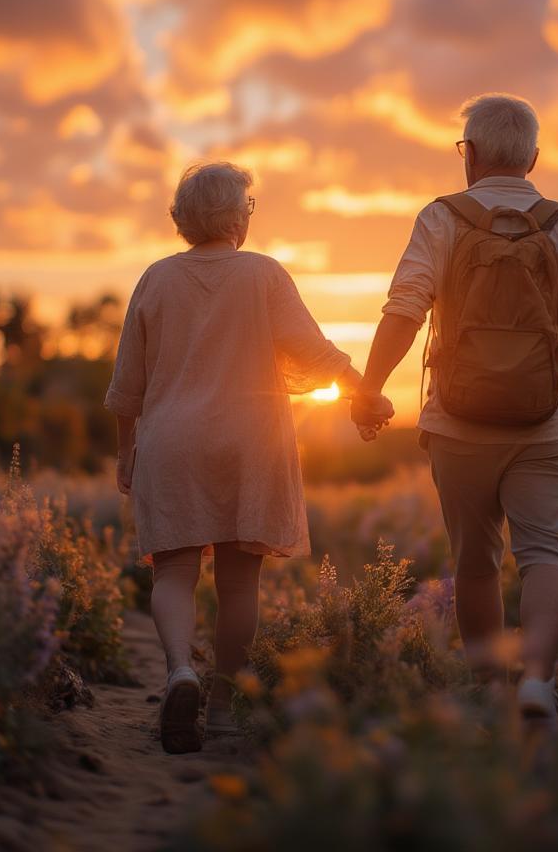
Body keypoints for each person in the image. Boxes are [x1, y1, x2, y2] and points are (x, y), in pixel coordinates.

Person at [105, 161, 392, 753]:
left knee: (174, 571)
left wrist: (124, 453)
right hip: (251, 440)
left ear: (183, 220)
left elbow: (126, 384)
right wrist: (366, 394)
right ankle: (224, 705)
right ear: (237, 216)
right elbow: (315, 350)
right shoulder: (264, 275)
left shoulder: (155, 279)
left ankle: (180, 670)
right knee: (240, 585)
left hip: (171, 441)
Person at [351, 93, 558, 722]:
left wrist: (368, 386)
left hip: (457, 423)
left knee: (475, 565)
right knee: (545, 554)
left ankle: (490, 690)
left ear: (468, 156)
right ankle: (538, 683)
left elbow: (405, 310)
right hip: (545, 420)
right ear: (533, 157)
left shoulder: (441, 219)